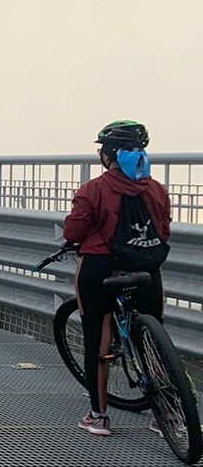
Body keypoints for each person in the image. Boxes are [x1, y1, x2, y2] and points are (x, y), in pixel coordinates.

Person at [63, 120, 172, 437]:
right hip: (145, 268)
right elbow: (163, 231)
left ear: (108, 155)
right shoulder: (156, 190)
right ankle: (166, 415)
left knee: (98, 336)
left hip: (100, 268)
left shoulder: (93, 190)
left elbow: (74, 232)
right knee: (154, 337)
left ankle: (98, 417)